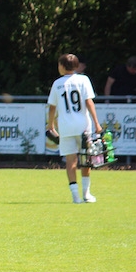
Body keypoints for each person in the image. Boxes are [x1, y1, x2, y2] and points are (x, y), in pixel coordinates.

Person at [47, 53, 103, 204]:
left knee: (70, 161)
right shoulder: (83, 80)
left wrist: (50, 125)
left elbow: (52, 107)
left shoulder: (57, 83)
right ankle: (86, 194)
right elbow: (89, 102)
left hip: (66, 127)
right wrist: (97, 123)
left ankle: (75, 196)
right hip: (83, 127)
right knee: (86, 160)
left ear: (62, 66)